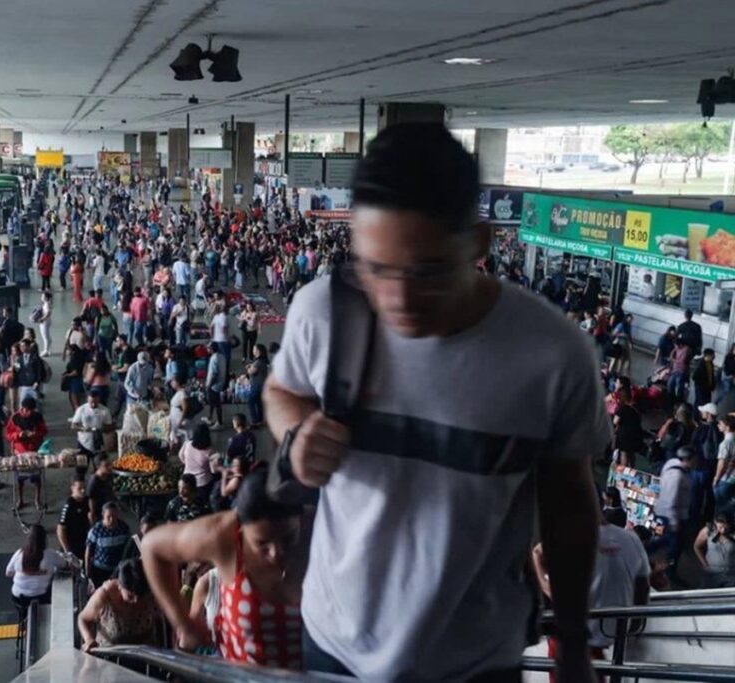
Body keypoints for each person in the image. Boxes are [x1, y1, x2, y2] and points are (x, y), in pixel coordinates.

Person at [263, 123, 608, 681]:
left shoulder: (552, 355)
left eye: (426, 273)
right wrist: (296, 434)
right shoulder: (325, 312)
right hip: (333, 646)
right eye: (376, 269)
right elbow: (282, 391)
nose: (397, 299)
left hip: (476, 662)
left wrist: (572, 641)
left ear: (478, 244)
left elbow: (570, 502)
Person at [143, 468, 306, 669]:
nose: (276, 553)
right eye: (261, 544)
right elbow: (152, 547)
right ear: (241, 527)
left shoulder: (318, 527)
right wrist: (183, 623)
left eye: (288, 538)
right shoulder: (224, 535)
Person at [532, 516, 650, 683]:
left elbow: (557, 593)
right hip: (611, 631)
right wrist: (636, 621)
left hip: (573, 634)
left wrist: (542, 578)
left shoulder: (570, 538)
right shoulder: (631, 539)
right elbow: (643, 586)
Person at [78, 558, 160, 651]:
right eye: (130, 596)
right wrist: (89, 639)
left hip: (147, 655)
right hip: (110, 657)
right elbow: (82, 618)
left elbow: (163, 618)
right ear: (119, 586)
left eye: (140, 596)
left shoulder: (151, 593)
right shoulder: (104, 595)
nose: (136, 600)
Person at [657, 446, 697, 584]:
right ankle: (669, 571)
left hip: (672, 513)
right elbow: (671, 500)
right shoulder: (677, 476)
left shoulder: (670, 464)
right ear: (687, 459)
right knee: (675, 544)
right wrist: (674, 522)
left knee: (669, 540)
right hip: (674, 515)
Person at [6, 524, 65, 609]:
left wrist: (23, 572)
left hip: (18, 596)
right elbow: (64, 564)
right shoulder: (50, 554)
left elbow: (8, 573)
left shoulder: (20, 553)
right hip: (40, 596)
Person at [6, 396, 48, 510]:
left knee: (36, 478)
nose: (30, 412)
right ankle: (20, 500)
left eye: (32, 410)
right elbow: (8, 434)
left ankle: (37, 500)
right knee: (20, 479)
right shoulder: (15, 418)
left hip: (34, 450)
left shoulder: (38, 417)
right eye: (28, 410)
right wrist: (18, 435)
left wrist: (35, 434)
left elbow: (44, 430)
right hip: (20, 451)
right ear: (23, 408)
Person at [85, 501, 131, 588]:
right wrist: (88, 572)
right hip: (99, 570)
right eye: (108, 516)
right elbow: (89, 551)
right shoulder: (96, 530)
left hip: (117, 569)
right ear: (103, 515)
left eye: (114, 516)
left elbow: (128, 548)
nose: (112, 519)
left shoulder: (124, 528)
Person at [693, 509, 735, 588]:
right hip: (711, 573)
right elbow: (697, 547)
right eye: (720, 527)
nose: (723, 530)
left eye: (726, 527)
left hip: (731, 574)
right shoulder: (708, 531)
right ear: (715, 523)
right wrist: (704, 564)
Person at [71, 391, 113, 458]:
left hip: (99, 442)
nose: (93, 404)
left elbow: (109, 426)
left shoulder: (105, 410)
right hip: (83, 442)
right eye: (91, 402)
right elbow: (73, 426)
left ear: (98, 399)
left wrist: (100, 430)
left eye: (95, 402)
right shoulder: (81, 410)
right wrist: (82, 428)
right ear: (87, 400)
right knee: (81, 466)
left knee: (100, 465)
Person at [179, 423, 214, 501]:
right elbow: (212, 469)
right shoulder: (209, 451)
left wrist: (187, 463)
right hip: (203, 482)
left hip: (187, 480)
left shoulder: (187, 444)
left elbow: (180, 455)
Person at [57, 477, 90, 559]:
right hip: (72, 544)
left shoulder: (86, 500)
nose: (83, 491)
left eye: (84, 488)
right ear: (72, 488)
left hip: (83, 541)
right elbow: (61, 529)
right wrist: (67, 551)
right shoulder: (69, 506)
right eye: (80, 488)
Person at [612, 386, 643, 468]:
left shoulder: (622, 409)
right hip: (635, 435)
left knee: (624, 454)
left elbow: (615, 421)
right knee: (632, 455)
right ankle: (632, 470)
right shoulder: (636, 408)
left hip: (624, 436)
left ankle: (624, 473)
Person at [86, 454, 116, 524]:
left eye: (110, 464)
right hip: (99, 512)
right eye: (106, 465)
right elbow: (91, 498)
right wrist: (92, 513)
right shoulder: (94, 481)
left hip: (108, 507)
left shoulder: (108, 475)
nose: (110, 467)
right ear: (98, 467)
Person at [714, 415, 735, 508]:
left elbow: (722, 463)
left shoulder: (726, 443)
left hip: (725, 479)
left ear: (727, 427)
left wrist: (716, 478)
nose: (718, 425)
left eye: (720, 424)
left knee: (720, 509)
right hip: (733, 478)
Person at [205, 342, 226, 430]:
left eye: (208, 348)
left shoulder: (214, 358)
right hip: (221, 382)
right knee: (213, 403)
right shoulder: (222, 356)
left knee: (216, 404)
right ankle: (210, 417)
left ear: (212, 349)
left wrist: (209, 385)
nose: (207, 349)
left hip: (214, 385)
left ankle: (219, 423)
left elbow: (214, 374)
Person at [667, 338, 692, 405]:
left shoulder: (686, 349)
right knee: (670, 385)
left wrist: (673, 359)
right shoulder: (677, 348)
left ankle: (678, 402)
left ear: (680, 344)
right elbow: (672, 356)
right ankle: (671, 400)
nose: (675, 347)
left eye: (676, 345)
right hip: (675, 370)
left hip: (681, 371)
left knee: (679, 388)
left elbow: (682, 361)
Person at [38, 290, 54, 357]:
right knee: (47, 336)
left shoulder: (47, 304)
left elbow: (48, 313)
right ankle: (48, 349)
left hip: (45, 322)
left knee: (45, 337)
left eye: (42, 296)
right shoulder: (46, 303)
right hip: (46, 321)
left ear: (46, 297)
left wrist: (42, 319)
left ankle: (46, 351)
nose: (41, 297)